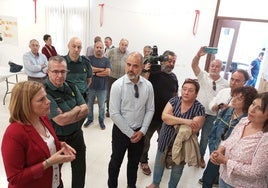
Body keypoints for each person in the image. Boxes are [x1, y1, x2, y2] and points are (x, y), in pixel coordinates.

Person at [1, 81, 76, 188]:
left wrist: (59, 145)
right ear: (26, 105)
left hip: (55, 182)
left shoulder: (43, 118)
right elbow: (15, 178)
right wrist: (48, 163)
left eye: (46, 97)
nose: (48, 101)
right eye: (41, 99)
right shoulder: (13, 134)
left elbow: (41, 145)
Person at [147, 78, 205, 188]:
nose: (186, 92)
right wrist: (186, 121)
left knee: (177, 169)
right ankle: (155, 183)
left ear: (196, 94)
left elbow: (192, 130)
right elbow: (164, 117)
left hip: (183, 145)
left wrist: (173, 119)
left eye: (190, 90)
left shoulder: (199, 108)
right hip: (166, 139)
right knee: (160, 163)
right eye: (184, 89)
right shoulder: (174, 100)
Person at [107, 52, 155, 188]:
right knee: (115, 162)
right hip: (121, 132)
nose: (130, 69)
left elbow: (150, 109)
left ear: (141, 67)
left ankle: (131, 185)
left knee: (133, 163)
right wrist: (130, 133)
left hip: (140, 132)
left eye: (135, 66)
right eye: (128, 65)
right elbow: (114, 113)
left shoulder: (148, 86)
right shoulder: (117, 86)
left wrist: (143, 131)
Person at [45, 56, 89, 188]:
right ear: (48, 72)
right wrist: (76, 109)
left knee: (80, 170)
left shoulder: (71, 86)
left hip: (76, 136)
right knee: (54, 174)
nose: (60, 75)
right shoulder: (44, 92)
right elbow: (61, 121)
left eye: (63, 71)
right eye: (55, 71)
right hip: (57, 140)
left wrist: (69, 114)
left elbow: (86, 110)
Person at [201, 86, 258, 188]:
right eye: (234, 96)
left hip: (232, 160)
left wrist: (225, 157)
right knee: (207, 179)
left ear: (248, 102)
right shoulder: (225, 111)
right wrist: (214, 151)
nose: (234, 100)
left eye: (239, 98)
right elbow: (213, 133)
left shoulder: (246, 120)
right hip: (217, 153)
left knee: (225, 181)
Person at [210, 92, 268, 188]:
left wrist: (225, 161)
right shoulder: (244, 121)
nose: (252, 110)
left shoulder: (265, 138)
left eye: (259, 108)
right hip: (225, 178)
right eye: (253, 104)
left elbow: (256, 172)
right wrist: (220, 150)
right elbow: (229, 141)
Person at [140, 50, 179, 176]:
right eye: (169, 60)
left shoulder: (173, 77)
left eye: (174, 61)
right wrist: (146, 70)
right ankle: (143, 161)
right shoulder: (153, 73)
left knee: (166, 141)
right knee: (145, 142)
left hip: (166, 117)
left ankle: (163, 160)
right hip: (150, 116)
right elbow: (142, 85)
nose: (172, 64)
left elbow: (175, 95)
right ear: (162, 60)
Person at [192, 46, 229, 169]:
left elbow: (227, 98)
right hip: (198, 112)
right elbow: (194, 65)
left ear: (221, 68)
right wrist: (198, 55)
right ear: (209, 67)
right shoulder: (203, 76)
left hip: (213, 115)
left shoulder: (225, 84)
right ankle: (191, 155)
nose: (214, 68)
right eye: (212, 65)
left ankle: (200, 156)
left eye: (217, 66)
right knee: (192, 134)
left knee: (205, 137)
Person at [83, 40, 111, 129]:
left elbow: (108, 72)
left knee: (102, 106)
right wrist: (101, 69)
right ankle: (90, 119)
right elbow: (89, 69)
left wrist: (95, 72)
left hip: (102, 88)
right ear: (94, 48)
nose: (99, 49)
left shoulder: (106, 60)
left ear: (103, 49)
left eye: (101, 47)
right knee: (89, 105)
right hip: (90, 87)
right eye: (97, 47)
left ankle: (101, 120)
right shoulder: (89, 59)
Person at [63, 37, 92, 101]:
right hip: (66, 98)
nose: (76, 49)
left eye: (79, 47)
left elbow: (89, 80)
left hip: (82, 97)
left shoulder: (86, 62)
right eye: (74, 46)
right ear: (68, 46)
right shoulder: (62, 62)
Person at [106, 38, 129, 117]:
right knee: (110, 95)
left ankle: (119, 111)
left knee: (121, 96)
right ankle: (109, 111)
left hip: (122, 78)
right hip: (112, 77)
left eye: (125, 45)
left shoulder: (128, 54)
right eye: (122, 44)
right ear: (119, 44)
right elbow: (106, 60)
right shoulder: (112, 51)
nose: (123, 46)